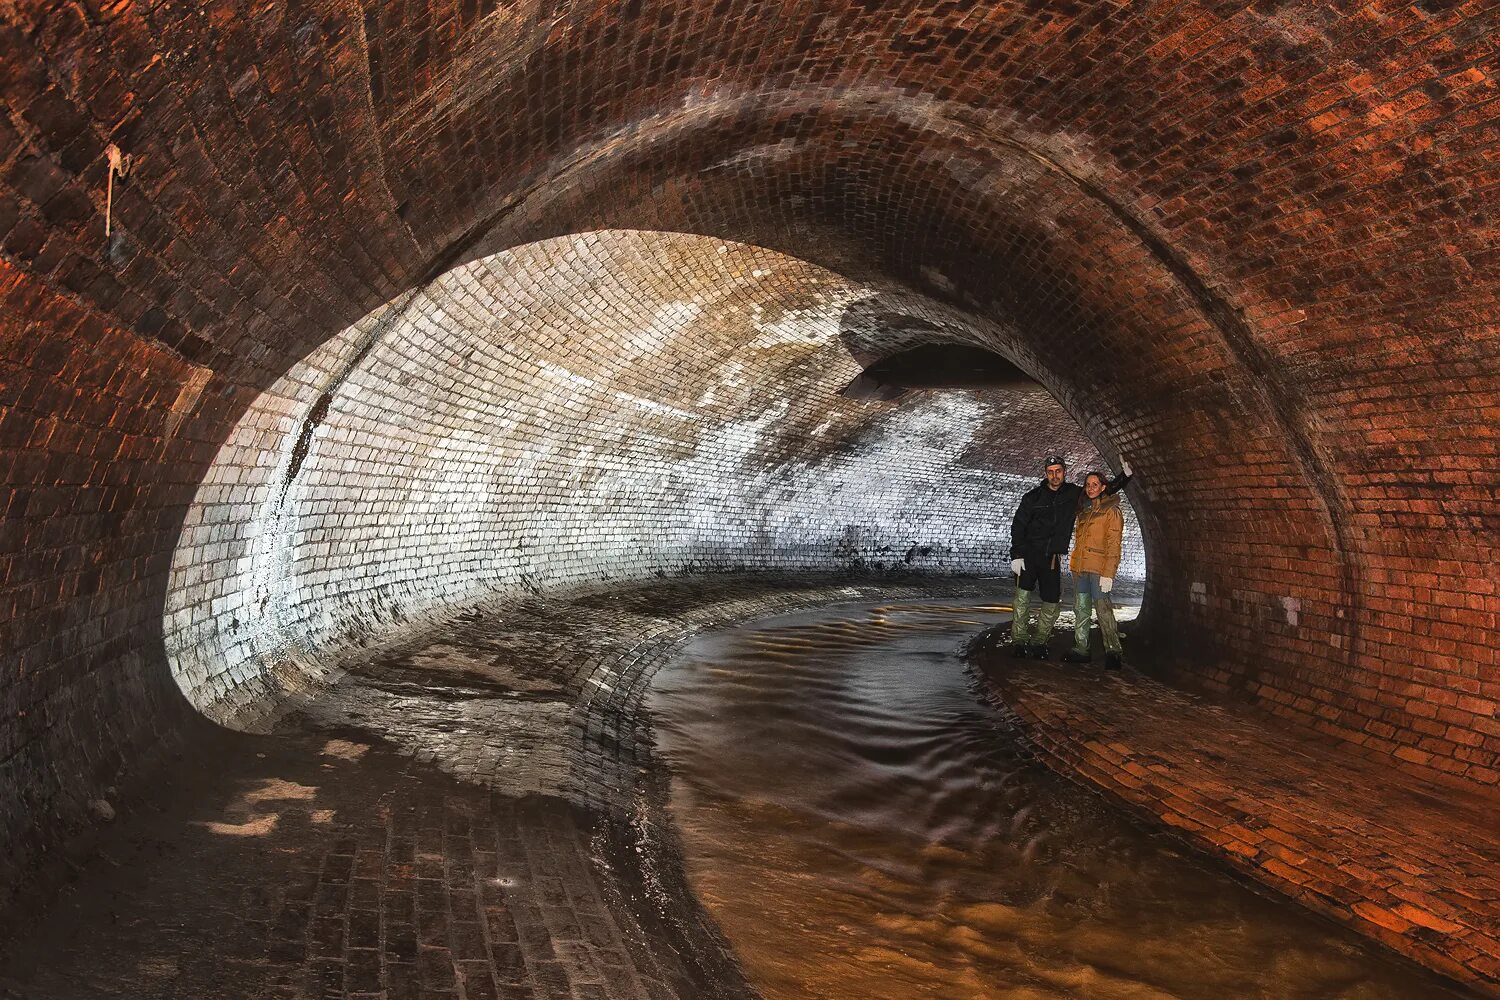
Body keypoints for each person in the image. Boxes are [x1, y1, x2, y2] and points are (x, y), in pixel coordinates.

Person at [1008, 454, 1130, 659]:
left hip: (1052, 559)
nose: (1055, 476)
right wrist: (1017, 554)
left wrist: (1124, 477)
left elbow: (1101, 491)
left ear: (1064, 472)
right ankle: (1019, 640)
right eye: (1050, 472)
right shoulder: (1032, 497)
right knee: (1022, 600)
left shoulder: (1074, 494)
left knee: (1052, 602)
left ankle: (1039, 641)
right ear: (1046, 474)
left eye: (1058, 471)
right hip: (1028, 556)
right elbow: (1018, 525)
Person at [1063, 471, 1125, 669]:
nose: (1091, 488)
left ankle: (1113, 651)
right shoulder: (1084, 511)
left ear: (1103, 487)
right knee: (1081, 610)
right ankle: (1082, 649)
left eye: (1095, 484)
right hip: (1081, 568)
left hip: (1099, 570)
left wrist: (1109, 574)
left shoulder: (1111, 511)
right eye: (1088, 485)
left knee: (1103, 610)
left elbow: (1114, 544)